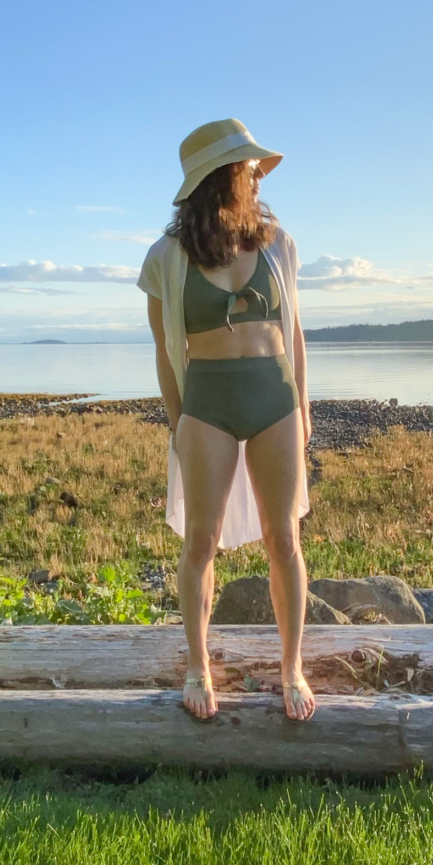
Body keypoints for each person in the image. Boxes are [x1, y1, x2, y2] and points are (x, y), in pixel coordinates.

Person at [136, 118, 316, 723]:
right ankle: (197, 666)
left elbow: (293, 332)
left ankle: (292, 667)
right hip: (206, 407)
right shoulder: (166, 257)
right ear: (222, 179)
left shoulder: (278, 244)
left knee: (284, 538)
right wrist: (179, 422)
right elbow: (166, 352)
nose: (256, 178)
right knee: (201, 542)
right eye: (246, 169)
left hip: (276, 401)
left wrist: (304, 409)